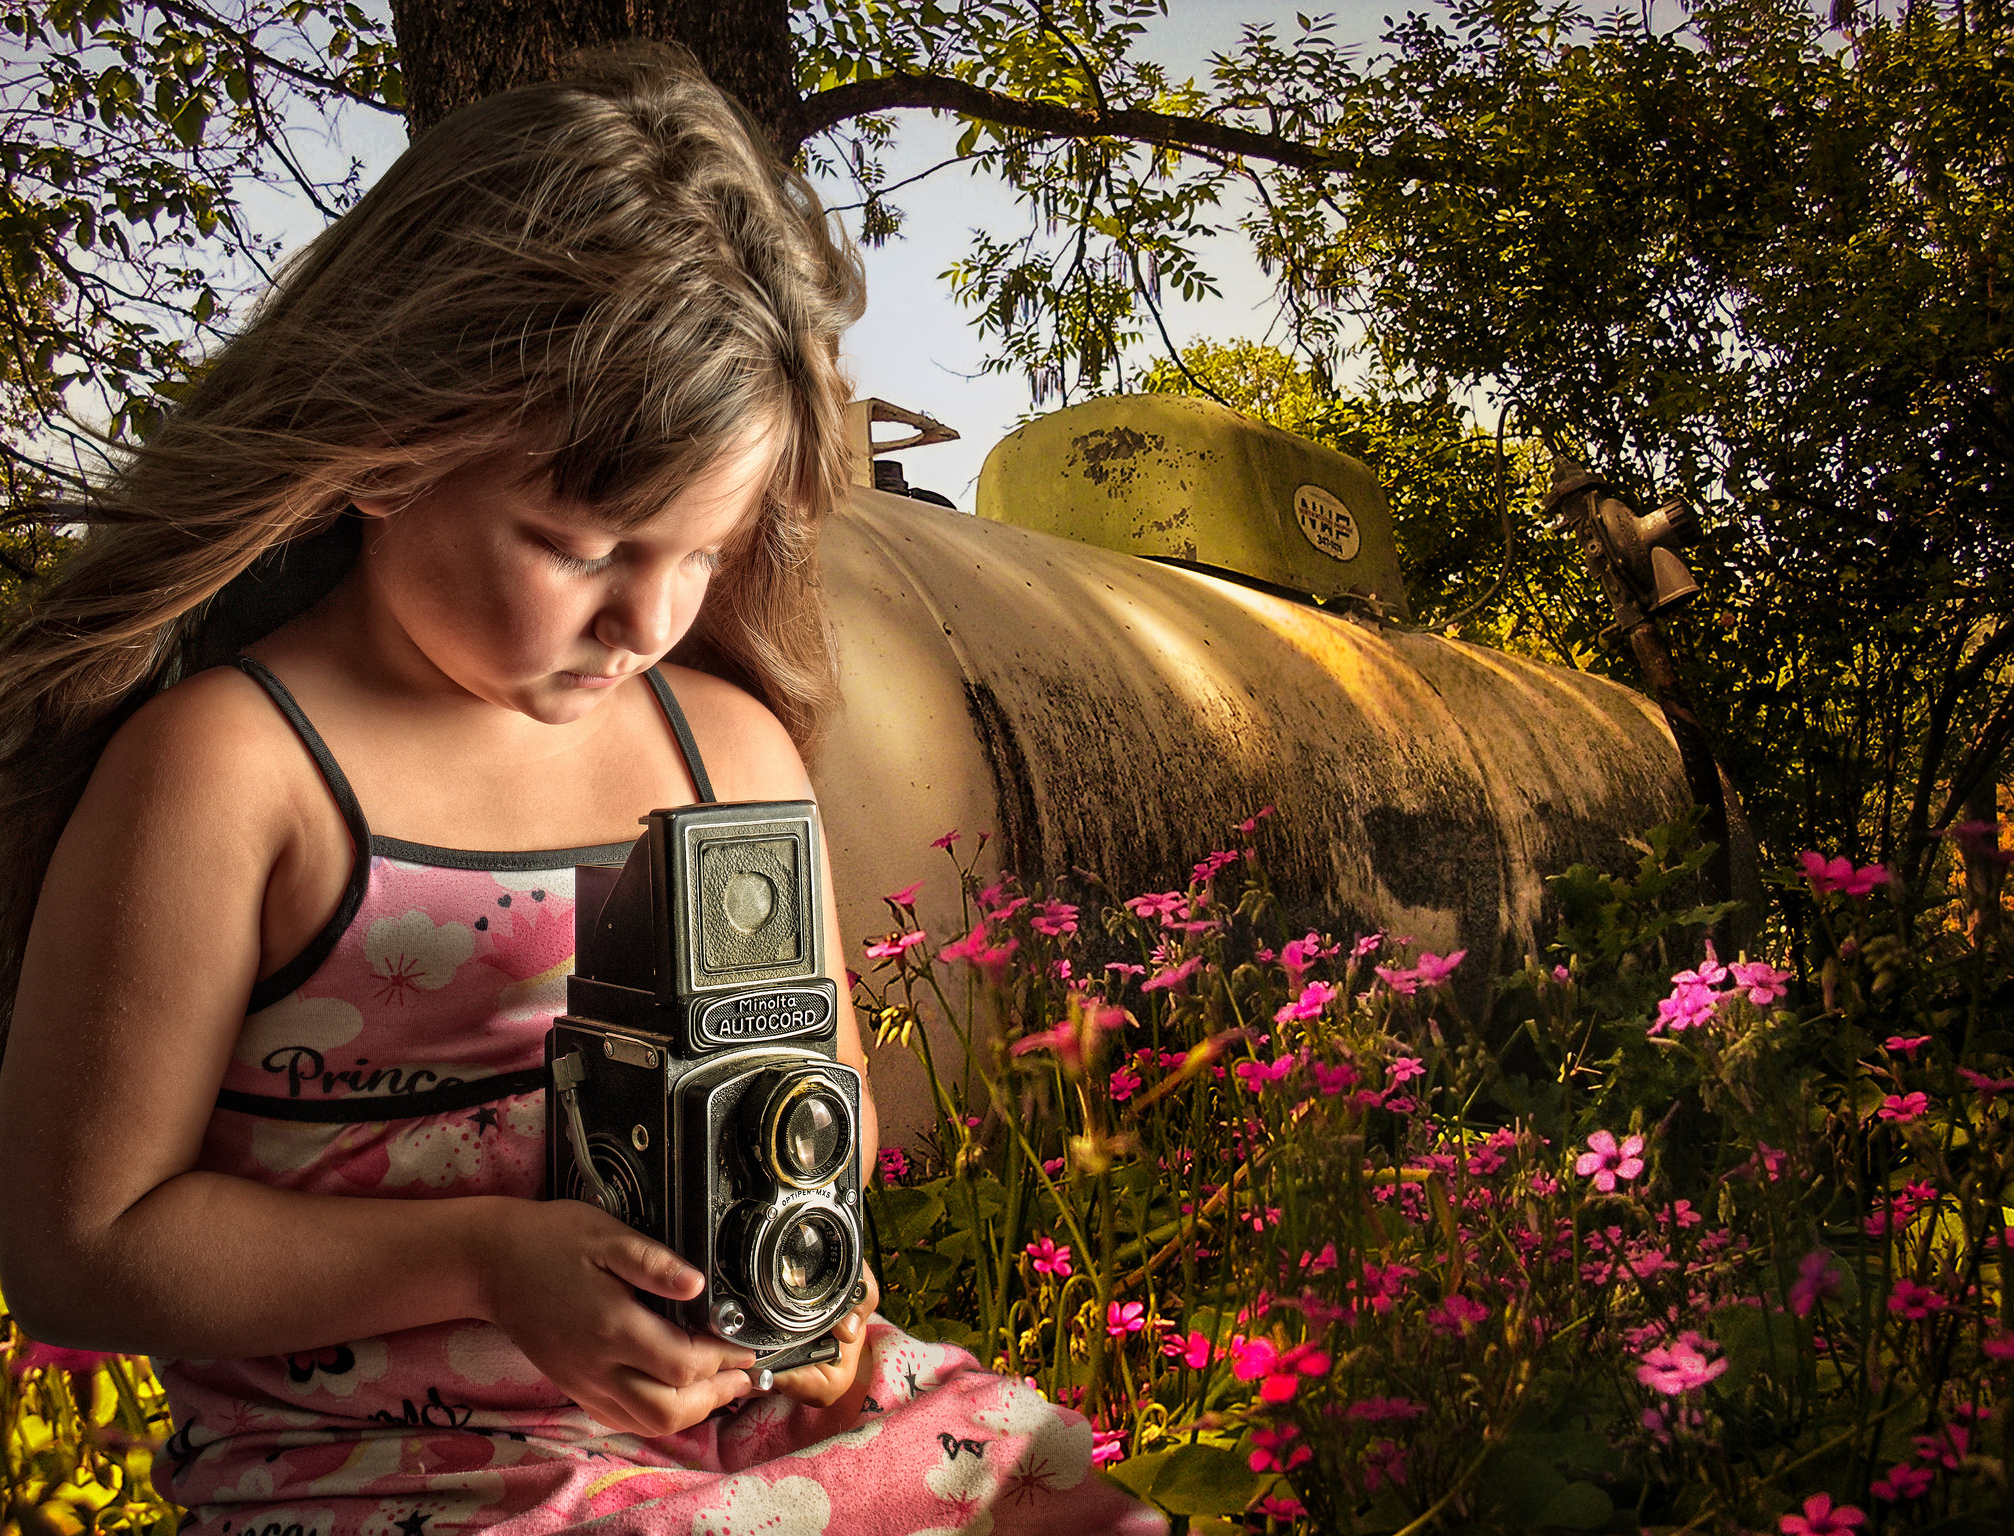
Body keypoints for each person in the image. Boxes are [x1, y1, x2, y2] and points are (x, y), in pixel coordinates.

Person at [0, 44, 1159, 1536]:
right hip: (384, 1471)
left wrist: (798, 1243)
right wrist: (489, 1259)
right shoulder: (235, 769)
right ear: (388, 447)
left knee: (1074, 1501)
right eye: (583, 547)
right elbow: (81, 1243)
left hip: (742, 1418)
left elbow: (831, 1110)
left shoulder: (725, 751)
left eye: (703, 553)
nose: (649, 622)